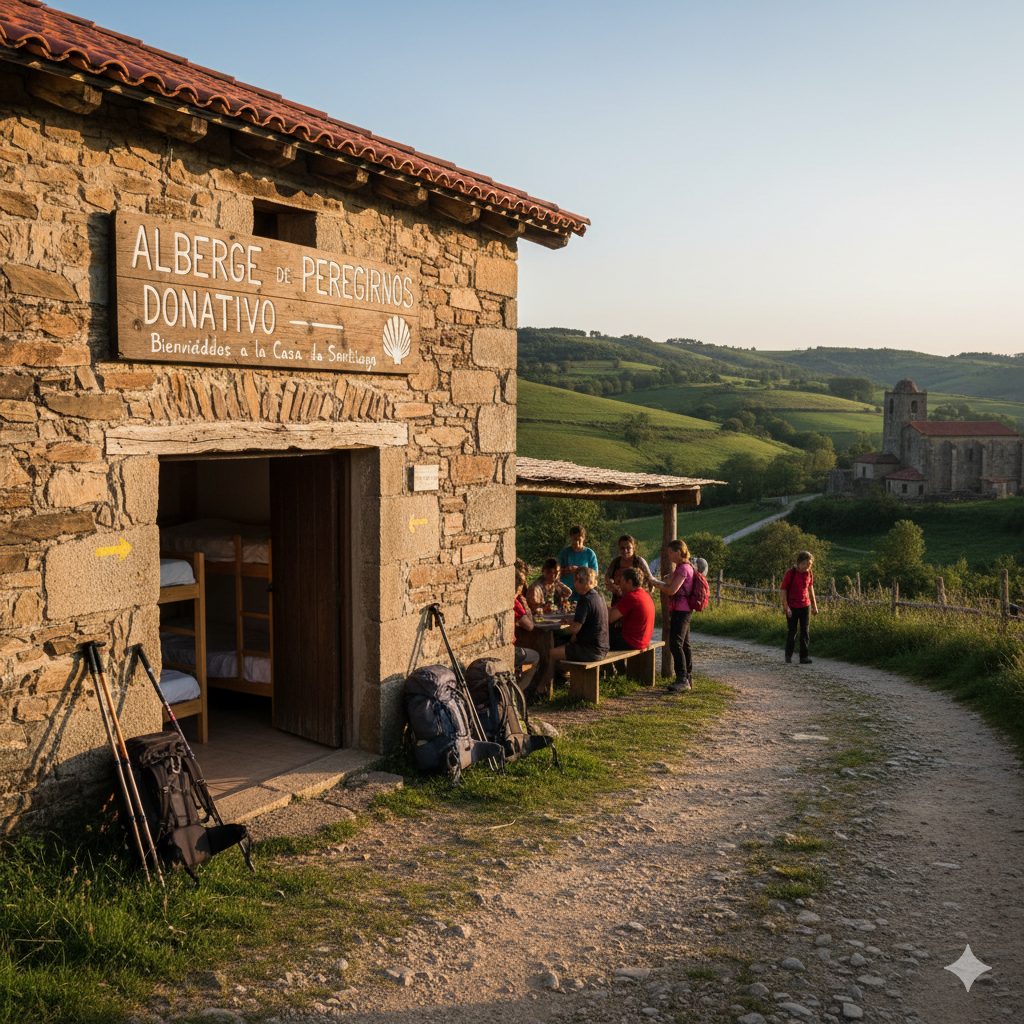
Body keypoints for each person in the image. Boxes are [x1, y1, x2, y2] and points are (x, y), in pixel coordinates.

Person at [536, 566, 609, 694]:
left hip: (591, 650)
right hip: (602, 646)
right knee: (564, 646)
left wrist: (557, 632)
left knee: (551, 653)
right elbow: (587, 620)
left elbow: (575, 629)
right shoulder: (599, 596)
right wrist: (571, 622)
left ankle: (540, 689)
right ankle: (560, 680)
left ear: (580, 582)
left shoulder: (585, 599)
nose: (576, 583)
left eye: (577, 581)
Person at [651, 539, 695, 693]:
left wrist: (655, 582)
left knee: (675, 643)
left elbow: (671, 591)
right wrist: (668, 580)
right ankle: (687, 678)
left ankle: (682, 679)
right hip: (683, 609)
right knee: (684, 644)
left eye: (671, 551)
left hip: (681, 610)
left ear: (679, 552)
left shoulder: (683, 568)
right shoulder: (684, 567)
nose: (668, 554)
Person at [782, 550, 818, 664]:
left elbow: (810, 589)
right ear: (798, 563)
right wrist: (786, 607)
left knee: (805, 632)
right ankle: (789, 655)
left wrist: (814, 606)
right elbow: (783, 590)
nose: (806, 567)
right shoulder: (791, 573)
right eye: (804, 564)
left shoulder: (809, 573)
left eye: (809, 565)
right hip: (792, 605)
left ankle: (804, 657)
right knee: (792, 631)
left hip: (805, 605)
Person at [607, 567, 656, 651]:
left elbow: (610, 618)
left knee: (596, 640)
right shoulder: (645, 595)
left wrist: (600, 604)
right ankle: (619, 664)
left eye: (622, 581)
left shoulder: (632, 597)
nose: (619, 585)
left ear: (629, 582)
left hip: (632, 642)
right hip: (643, 641)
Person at [605, 534, 654, 606]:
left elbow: (651, 581)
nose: (625, 550)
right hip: (618, 601)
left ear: (633, 548)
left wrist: (644, 597)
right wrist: (612, 586)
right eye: (622, 548)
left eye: (628, 548)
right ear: (619, 548)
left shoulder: (639, 562)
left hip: (636, 601)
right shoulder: (615, 562)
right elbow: (607, 578)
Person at [513, 559, 540, 690]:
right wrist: (526, 608)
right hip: (510, 650)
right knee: (536, 657)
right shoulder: (515, 602)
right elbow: (529, 626)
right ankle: (518, 692)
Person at [558, 525, 599, 594]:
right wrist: (566, 570)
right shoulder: (564, 552)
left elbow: (595, 574)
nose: (576, 542)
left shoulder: (590, 553)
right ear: (570, 538)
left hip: (583, 592)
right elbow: (554, 571)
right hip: (565, 591)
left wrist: (580, 570)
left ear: (583, 538)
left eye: (579, 540)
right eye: (574, 539)